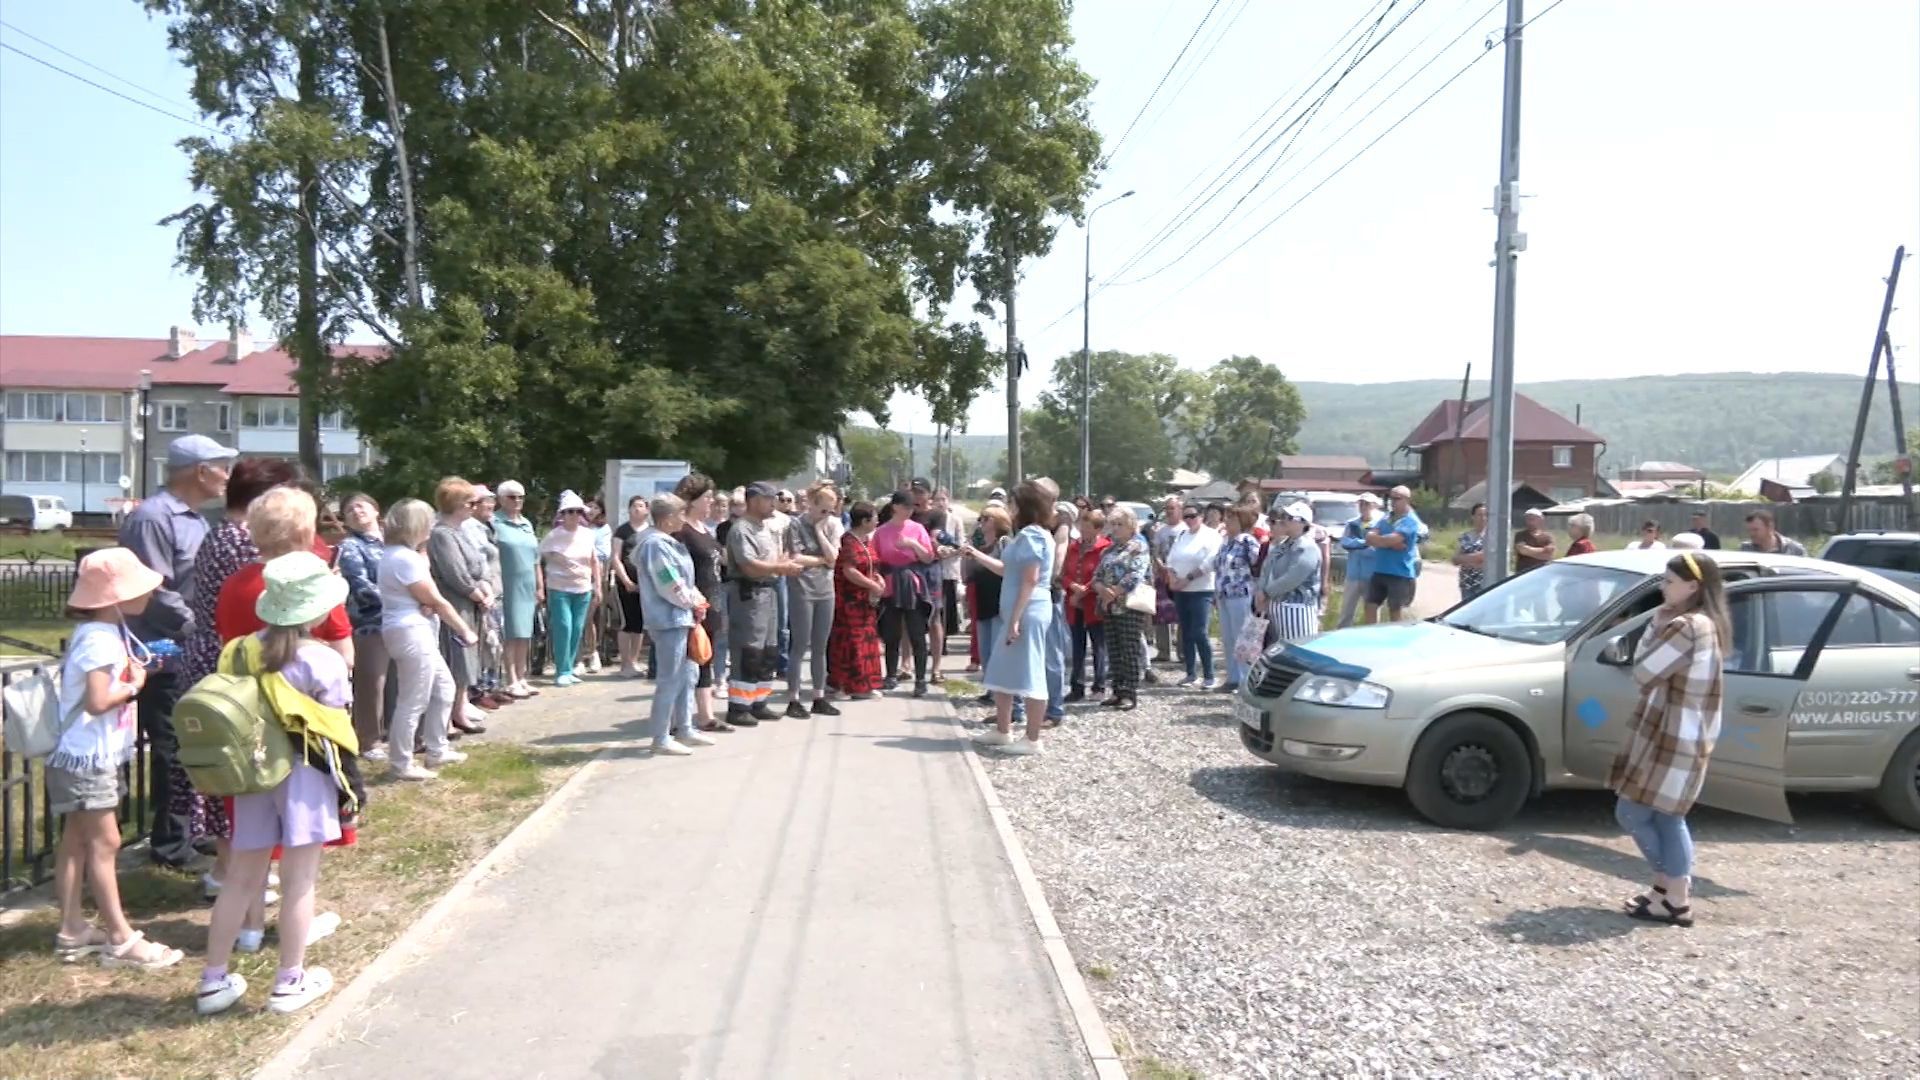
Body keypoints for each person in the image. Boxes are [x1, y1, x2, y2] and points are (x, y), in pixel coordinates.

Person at [196, 551, 362, 1015]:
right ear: (317, 609)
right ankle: (289, 980)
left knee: (241, 878)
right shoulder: (322, 660)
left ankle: (213, 978)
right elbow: (338, 719)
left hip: (251, 772)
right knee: (299, 881)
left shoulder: (240, 650)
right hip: (304, 775)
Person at [50, 548, 185, 970]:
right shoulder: (100, 638)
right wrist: (134, 685)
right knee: (105, 842)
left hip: (77, 753)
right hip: (88, 756)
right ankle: (121, 937)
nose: (147, 594)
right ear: (112, 597)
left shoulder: (104, 632)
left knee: (76, 841)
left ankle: (72, 928)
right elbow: (96, 701)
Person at [177, 456, 301, 895]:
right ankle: (233, 872)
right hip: (231, 659)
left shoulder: (222, 534)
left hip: (215, 653)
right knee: (236, 761)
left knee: (228, 762)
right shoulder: (242, 541)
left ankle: (230, 870)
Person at [119, 433, 238, 868]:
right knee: (171, 744)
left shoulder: (195, 518)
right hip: (164, 651)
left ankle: (196, 829)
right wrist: (196, 627)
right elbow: (155, 589)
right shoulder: (153, 518)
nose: (227, 476)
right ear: (200, 471)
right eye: (222, 467)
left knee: (196, 741)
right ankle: (170, 843)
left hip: (194, 648)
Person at [1612, 552, 1731, 929]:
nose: (1663, 587)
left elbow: (1644, 671)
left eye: (1669, 581)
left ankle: (1675, 893)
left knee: (1636, 812)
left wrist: (1656, 622)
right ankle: (1667, 892)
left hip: (1673, 736)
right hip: (1681, 734)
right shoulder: (1705, 623)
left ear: (1692, 587)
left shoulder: (1686, 626)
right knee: (1663, 816)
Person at [380, 498, 479, 781]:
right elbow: (436, 599)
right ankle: (401, 762)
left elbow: (425, 595)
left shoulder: (401, 554)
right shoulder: (403, 558)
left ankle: (437, 748)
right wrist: (465, 630)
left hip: (412, 628)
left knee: (444, 687)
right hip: (411, 631)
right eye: (427, 521)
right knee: (413, 700)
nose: (432, 525)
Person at [971, 478, 1059, 755]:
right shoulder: (1030, 534)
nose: (1008, 507)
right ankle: (1003, 729)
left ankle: (1032, 739)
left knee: (1030, 671)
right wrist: (974, 554)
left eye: (1012, 502)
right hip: (1019, 610)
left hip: (1029, 611)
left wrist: (1016, 619)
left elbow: (1030, 580)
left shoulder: (1033, 535)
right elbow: (1007, 570)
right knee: (1003, 669)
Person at [633, 494, 718, 756]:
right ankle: (660, 737)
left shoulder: (669, 543)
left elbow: (684, 581)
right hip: (669, 619)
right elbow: (669, 583)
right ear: (668, 517)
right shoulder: (656, 545)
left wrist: (697, 601)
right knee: (669, 678)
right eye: (681, 514)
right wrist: (693, 602)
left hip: (683, 618)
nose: (684, 518)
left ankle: (685, 727)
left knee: (688, 675)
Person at [726, 483, 801, 722]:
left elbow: (770, 559)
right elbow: (748, 565)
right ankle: (739, 707)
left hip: (769, 591)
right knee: (749, 649)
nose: (773, 504)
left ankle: (759, 700)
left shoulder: (765, 527)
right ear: (755, 500)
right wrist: (780, 567)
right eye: (769, 499)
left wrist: (783, 562)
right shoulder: (742, 529)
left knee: (768, 649)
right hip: (750, 594)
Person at [428, 477, 491, 733]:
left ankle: (460, 708)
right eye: (471, 502)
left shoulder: (460, 532)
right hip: (456, 603)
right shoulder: (442, 535)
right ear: (457, 504)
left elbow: (478, 565)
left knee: (467, 660)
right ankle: (449, 716)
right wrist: (478, 594)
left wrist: (484, 587)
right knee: (456, 657)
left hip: (470, 602)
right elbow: (455, 574)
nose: (475, 506)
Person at [337, 493, 393, 760]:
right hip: (370, 623)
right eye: (349, 510)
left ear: (375, 510)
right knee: (372, 681)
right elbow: (360, 585)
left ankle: (396, 733)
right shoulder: (350, 546)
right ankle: (369, 740)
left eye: (361, 505)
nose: (356, 511)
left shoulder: (392, 540)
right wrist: (399, 600)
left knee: (397, 679)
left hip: (400, 620)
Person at [672, 474, 730, 730]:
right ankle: (676, 720)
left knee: (704, 658)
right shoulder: (681, 531)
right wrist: (693, 602)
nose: (711, 503)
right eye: (707, 498)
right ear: (692, 501)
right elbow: (677, 573)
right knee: (686, 663)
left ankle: (706, 716)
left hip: (712, 604)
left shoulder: (705, 529)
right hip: (692, 607)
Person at [782, 483, 844, 717]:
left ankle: (819, 695)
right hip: (802, 589)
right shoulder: (795, 525)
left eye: (831, 511)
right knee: (800, 644)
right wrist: (820, 560)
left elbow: (833, 558)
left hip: (825, 589)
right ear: (812, 504)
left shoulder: (831, 525)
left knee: (821, 645)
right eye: (823, 510)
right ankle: (793, 698)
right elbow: (796, 557)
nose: (826, 515)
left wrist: (820, 530)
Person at [873, 491, 938, 696]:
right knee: (891, 633)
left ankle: (920, 679)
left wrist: (913, 544)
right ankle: (890, 674)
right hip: (891, 581)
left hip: (913, 582)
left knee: (917, 632)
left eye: (912, 507)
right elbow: (876, 559)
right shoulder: (881, 531)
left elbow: (928, 558)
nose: (910, 511)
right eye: (906, 507)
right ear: (895, 507)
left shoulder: (917, 529)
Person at [1092, 506, 1152, 710]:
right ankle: (1117, 691)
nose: (1116, 529)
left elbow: (1135, 574)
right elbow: (1097, 575)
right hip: (1109, 606)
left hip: (1129, 606)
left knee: (1129, 649)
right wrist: (1101, 590)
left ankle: (1130, 693)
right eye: (1113, 524)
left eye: (1120, 525)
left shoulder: (1138, 547)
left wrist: (1114, 592)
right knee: (1114, 649)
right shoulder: (1109, 550)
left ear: (1130, 526)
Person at [538, 490, 599, 688]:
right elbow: (539, 556)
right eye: (569, 511)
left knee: (577, 628)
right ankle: (561, 670)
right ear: (562, 514)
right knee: (564, 626)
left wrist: (597, 585)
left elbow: (594, 560)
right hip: (559, 588)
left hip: (582, 588)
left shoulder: (588, 534)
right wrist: (556, 560)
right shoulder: (554, 536)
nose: (573, 515)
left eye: (577, 511)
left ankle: (570, 666)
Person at [828, 501, 888, 700]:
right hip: (849, 601)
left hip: (865, 602)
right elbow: (849, 570)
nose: (877, 522)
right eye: (874, 518)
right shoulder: (849, 542)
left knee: (867, 641)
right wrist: (871, 585)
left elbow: (872, 564)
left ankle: (865, 685)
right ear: (864, 521)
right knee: (850, 642)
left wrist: (877, 579)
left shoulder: (866, 541)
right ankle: (843, 686)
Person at [492, 480, 541, 697]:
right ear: (501, 499)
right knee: (510, 632)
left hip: (527, 584)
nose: (517, 500)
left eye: (521, 496)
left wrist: (540, 585)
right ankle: (510, 678)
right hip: (507, 583)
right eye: (512, 496)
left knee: (525, 632)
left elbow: (535, 558)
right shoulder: (495, 523)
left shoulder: (527, 523)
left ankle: (522, 676)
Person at [1165, 502, 1221, 687]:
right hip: (1181, 591)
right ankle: (1190, 672)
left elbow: (1210, 561)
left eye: (1193, 516)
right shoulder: (1182, 535)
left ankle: (1209, 674)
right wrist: (1172, 577)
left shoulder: (1211, 535)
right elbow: (1171, 559)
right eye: (1186, 516)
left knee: (1200, 632)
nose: (1189, 520)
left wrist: (1188, 578)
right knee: (1186, 632)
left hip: (1201, 589)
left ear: (1202, 516)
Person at [463, 485, 510, 704]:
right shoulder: (470, 528)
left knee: (495, 641)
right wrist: (482, 592)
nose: (490, 505)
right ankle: (479, 690)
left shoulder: (489, 526)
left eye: (492, 501)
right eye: (484, 501)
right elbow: (476, 564)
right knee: (485, 642)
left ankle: (492, 685)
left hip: (496, 590)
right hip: (483, 593)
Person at [1063, 508, 1111, 702]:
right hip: (1074, 603)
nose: (1083, 530)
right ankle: (1077, 686)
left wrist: (1086, 589)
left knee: (1099, 645)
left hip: (1094, 603)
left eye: (1087, 527)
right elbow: (1063, 573)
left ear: (1098, 529)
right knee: (1077, 647)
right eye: (1081, 525)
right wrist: (1072, 587)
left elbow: (1103, 574)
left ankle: (1099, 685)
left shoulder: (1105, 548)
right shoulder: (1073, 547)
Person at [964, 506, 1011, 705]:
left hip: (999, 601)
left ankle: (1001, 693)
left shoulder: (1004, 542)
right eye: (981, 518)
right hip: (982, 600)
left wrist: (975, 554)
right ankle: (991, 689)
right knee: (985, 650)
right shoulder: (981, 545)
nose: (981, 522)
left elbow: (1004, 568)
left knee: (997, 649)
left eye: (986, 518)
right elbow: (970, 574)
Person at [1212, 505, 1261, 692]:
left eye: (1232, 519)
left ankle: (1246, 679)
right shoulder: (1226, 542)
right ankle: (1232, 678)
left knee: (1244, 639)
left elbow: (1257, 566)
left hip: (1241, 594)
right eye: (1227, 518)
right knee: (1228, 638)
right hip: (1224, 594)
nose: (1227, 522)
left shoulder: (1248, 542)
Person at [1258, 502, 1322, 644]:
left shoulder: (1307, 548)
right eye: (1286, 516)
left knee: (1298, 650)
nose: (1285, 519)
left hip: (1298, 609)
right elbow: (1267, 567)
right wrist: (1260, 589)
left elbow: (1293, 577)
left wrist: (1267, 592)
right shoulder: (1284, 545)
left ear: (1303, 523)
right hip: (1279, 607)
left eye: (1291, 517)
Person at [1363, 486, 1423, 623]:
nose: (1393, 501)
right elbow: (1369, 536)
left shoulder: (1410, 521)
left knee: (1395, 611)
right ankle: (1371, 638)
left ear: (1407, 500)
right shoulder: (1386, 517)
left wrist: (1382, 541)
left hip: (1399, 574)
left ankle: (1395, 640)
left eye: (1397, 498)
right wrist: (1384, 542)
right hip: (1380, 570)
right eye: (1391, 498)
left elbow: (1391, 540)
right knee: (1370, 606)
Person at [611, 495, 653, 679]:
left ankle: (634, 662)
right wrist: (626, 581)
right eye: (634, 506)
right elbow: (615, 558)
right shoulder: (622, 531)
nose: (637, 509)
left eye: (641, 506)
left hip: (646, 584)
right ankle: (625, 663)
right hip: (626, 584)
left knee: (640, 623)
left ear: (647, 510)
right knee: (627, 622)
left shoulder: (651, 532)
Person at [1334, 492, 1383, 628]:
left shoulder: (1380, 525)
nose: (1363, 507)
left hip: (1372, 575)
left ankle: (1371, 638)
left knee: (1372, 611)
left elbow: (1379, 547)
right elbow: (1346, 543)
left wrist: (1359, 544)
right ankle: (1341, 637)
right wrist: (1365, 543)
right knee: (1346, 611)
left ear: (1374, 505)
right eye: (1361, 503)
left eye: (1367, 504)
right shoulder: (1352, 524)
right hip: (1353, 574)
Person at [578, 498, 613, 675]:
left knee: (588, 617)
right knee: (577, 618)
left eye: (596, 507)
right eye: (589, 506)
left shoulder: (603, 529)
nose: (591, 510)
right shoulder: (576, 525)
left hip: (594, 575)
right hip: (575, 576)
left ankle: (592, 652)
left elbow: (603, 553)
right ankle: (577, 657)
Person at [1149, 495, 1185, 664]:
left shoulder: (1185, 529)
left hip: (1180, 577)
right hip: (1163, 577)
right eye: (1167, 508)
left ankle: (1183, 652)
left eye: (1173, 508)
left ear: (1180, 510)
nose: (1170, 511)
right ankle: (1163, 650)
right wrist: (1160, 565)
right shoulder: (1161, 531)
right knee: (1161, 614)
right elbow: (1155, 551)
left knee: (1182, 614)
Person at [1453, 502, 1490, 601]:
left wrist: (1465, 559)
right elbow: (1455, 559)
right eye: (1479, 515)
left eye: (1485, 515)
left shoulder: (1491, 537)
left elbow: (1488, 558)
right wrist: (1476, 558)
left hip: (1484, 582)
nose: (1483, 518)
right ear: (1473, 516)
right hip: (1467, 582)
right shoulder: (1465, 537)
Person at [1740, 509, 1807, 556]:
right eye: (1749, 530)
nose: (1751, 534)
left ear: (1770, 527)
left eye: (1755, 530)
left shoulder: (1794, 550)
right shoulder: (1746, 549)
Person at [1514, 508, 1556, 573]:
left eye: (1532, 519)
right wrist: (1543, 551)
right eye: (1527, 519)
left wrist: (1529, 550)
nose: (1530, 522)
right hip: (1523, 573)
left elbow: (1549, 555)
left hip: (1543, 572)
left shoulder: (1548, 537)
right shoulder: (1520, 535)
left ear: (1540, 520)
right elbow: (1522, 550)